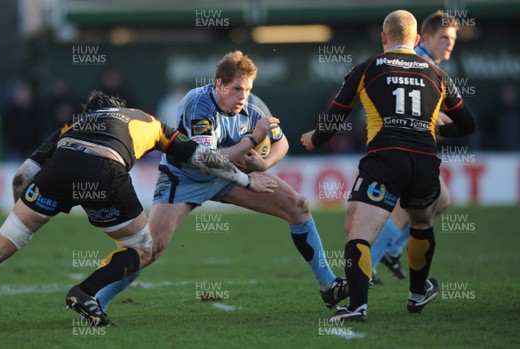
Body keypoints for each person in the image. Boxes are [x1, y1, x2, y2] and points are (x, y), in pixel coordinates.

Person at [0, 91, 278, 332]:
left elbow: (22, 174)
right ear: (118, 106)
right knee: (143, 248)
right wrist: (247, 182)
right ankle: (85, 292)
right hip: (104, 172)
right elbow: (204, 159)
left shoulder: (73, 124)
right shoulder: (148, 121)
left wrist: (26, 205)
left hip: (56, 172)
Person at [92, 50, 350, 314]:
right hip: (184, 178)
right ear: (218, 84)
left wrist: (264, 164)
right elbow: (206, 163)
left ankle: (328, 285)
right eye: (236, 89)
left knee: (298, 207)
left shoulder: (253, 106)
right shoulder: (198, 103)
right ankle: (97, 300)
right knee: (151, 248)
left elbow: (280, 142)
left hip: (231, 176)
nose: (243, 97)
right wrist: (250, 141)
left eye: (247, 89)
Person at [301, 10, 475, 321]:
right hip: (425, 163)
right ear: (418, 40)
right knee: (421, 224)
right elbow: (467, 123)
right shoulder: (437, 73)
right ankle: (418, 294)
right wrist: (439, 129)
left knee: (358, 232)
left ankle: (357, 306)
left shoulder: (368, 67)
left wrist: (314, 139)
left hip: (386, 160)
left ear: (384, 38)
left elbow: (334, 117)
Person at [372, 10, 460, 283]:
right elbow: (425, 113)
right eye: (444, 37)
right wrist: (453, 123)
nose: (450, 43)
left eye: (453, 39)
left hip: (410, 148)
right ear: (427, 36)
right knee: (407, 210)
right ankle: (371, 265)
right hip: (405, 148)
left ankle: (389, 252)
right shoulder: (419, 61)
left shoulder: (429, 62)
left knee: (440, 201)